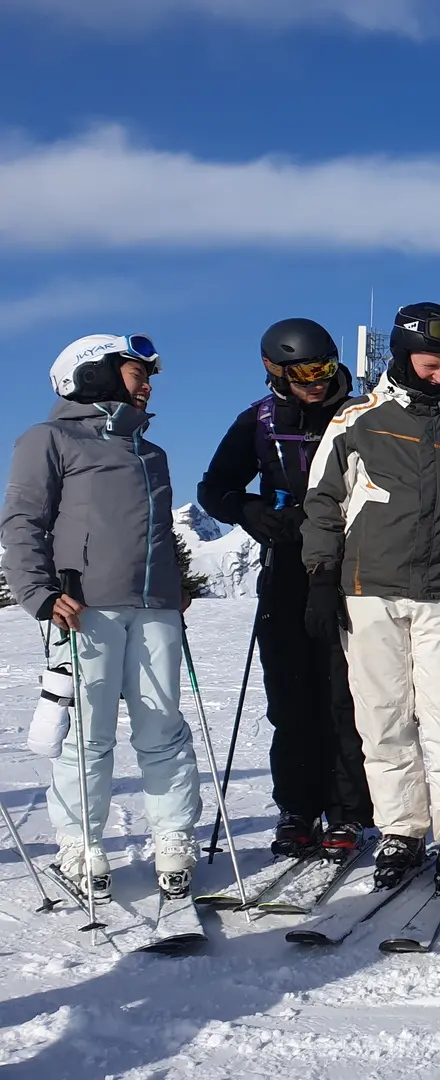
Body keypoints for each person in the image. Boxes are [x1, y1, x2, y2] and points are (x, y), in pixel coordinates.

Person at [301, 302, 440, 890]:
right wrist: (320, 578)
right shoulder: (354, 422)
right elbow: (322, 504)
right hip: (367, 593)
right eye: (431, 364)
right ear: (400, 355)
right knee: (383, 717)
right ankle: (400, 829)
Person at [1, 334, 202, 899]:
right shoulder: (49, 439)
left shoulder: (150, 451)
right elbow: (22, 521)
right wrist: (37, 593)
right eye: (139, 373)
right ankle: (79, 845)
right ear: (96, 376)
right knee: (87, 735)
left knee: (162, 728)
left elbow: (153, 534)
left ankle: (173, 837)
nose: (149, 384)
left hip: (155, 608)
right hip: (82, 608)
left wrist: (172, 584)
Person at [198, 318, 373, 859]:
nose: (318, 382)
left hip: (355, 568)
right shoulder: (260, 420)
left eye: (324, 368)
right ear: (274, 370)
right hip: (287, 568)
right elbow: (215, 487)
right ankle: (298, 807)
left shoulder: (362, 415)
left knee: (349, 692)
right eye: (304, 373)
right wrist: (248, 510)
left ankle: (349, 811)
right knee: (291, 692)